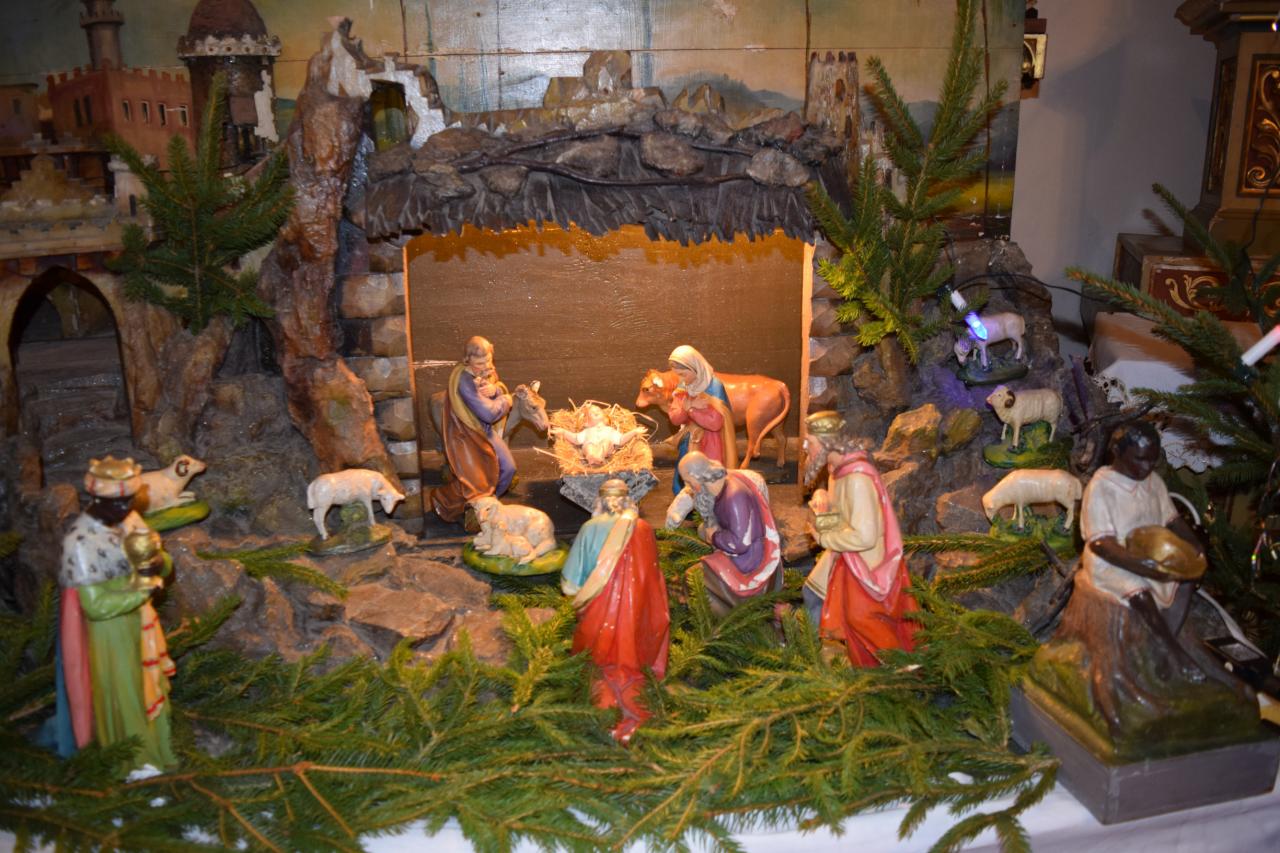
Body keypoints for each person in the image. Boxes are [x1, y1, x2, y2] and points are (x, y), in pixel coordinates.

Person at [1028, 421, 1257, 755]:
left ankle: (1167, 641)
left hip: (1151, 554)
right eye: (1138, 459)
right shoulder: (1102, 487)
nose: (1146, 467)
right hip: (1111, 563)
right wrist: (1145, 569)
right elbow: (1101, 543)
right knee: (1139, 590)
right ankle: (1172, 651)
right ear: (1116, 452)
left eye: (1152, 459)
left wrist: (1194, 545)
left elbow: (1171, 520)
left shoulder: (1153, 483)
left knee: (1187, 580)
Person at [48, 457, 177, 772]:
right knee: (126, 692)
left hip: (141, 619)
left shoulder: (130, 519)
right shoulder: (80, 541)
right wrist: (142, 591)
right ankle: (132, 760)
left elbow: (156, 559)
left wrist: (160, 563)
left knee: (151, 687)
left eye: (128, 500)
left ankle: (159, 750)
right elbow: (96, 607)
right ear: (95, 498)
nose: (124, 508)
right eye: (116, 503)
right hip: (111, 631)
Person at [801, 412, 918, 666]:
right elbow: (844, 514)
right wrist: (823, 499)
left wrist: (824, 538)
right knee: (812, 592)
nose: (805, 447)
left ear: (827, 442)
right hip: (847, 554)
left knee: (862, 620)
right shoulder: (836, 470)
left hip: (867, 564)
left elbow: (865, 536)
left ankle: (898, 669)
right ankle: (815, 655)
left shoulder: (857, 479)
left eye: (809, 441)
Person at [562, 479, 669, 744]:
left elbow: (570, 584)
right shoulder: (643, 529)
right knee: (633, 666)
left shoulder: (589, 529)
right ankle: (635, 707)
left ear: (599, 502)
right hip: (636, 618)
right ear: (628, 501)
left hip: (596, 615)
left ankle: (605, 707)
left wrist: (589, 592)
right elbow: (653, 582)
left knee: (599, 667)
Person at [672, 451, 781, 617]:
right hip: (735, 550)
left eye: (687, 481)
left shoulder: (734, 496)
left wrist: (714, 537)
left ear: (697, 476)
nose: (688, 487)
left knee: (693, 577)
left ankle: (727, 620)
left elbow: (740, 543)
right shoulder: (715, 487)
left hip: (749, 560)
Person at [430, 336, 515, 524]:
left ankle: (489, 504)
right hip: (466, 433)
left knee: (508, 468)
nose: (486, 367)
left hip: (484, 430)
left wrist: (496, 390)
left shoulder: (487, 371)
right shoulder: (464, 381)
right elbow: (488, 413)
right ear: (467, 360)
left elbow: (495, 386)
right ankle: (445, 502)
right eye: (479, 363)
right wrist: (506, 400)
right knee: (475, 481)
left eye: (488, 361)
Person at [667, 345, 736, 493]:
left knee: (708, 479)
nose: (680, 379)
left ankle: (709, 501)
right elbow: (675, 418)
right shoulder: (683, 386)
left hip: (711, 442)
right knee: (685, 476)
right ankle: (685, 500)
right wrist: (687, 408)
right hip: (690, 440)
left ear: (696, 368)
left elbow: (716, 422)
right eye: (677, 375)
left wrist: (691, 411)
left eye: (683, 374)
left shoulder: (714, 387)